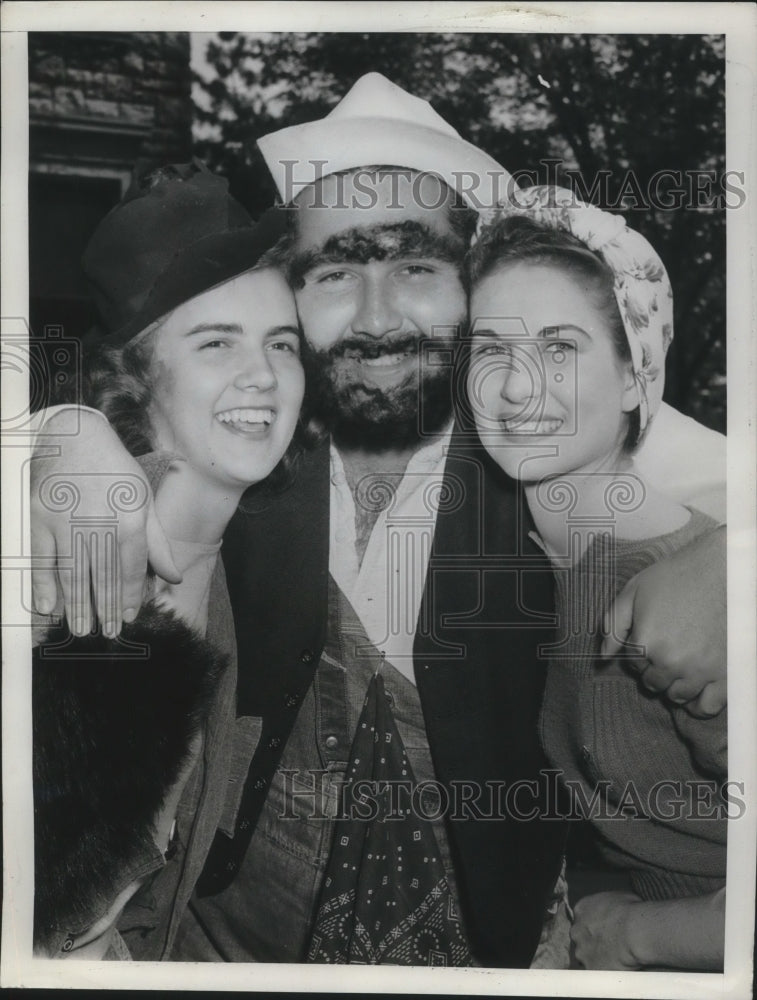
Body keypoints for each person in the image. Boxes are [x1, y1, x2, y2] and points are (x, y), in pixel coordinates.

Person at [29, 75, 727, 967]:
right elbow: (127, 381)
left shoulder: (541, 436)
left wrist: (735, 554)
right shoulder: (258, 432)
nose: (375, 316)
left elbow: (699, 470)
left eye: (414, 266)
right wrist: (59, 432)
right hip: (219, 944)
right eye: (335, 272)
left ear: (470, 283)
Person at [31, 161, 306, 959]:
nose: (263, 375)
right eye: (216, 341)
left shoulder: (252, 568)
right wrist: (49, 432)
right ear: (136, 373)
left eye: (281, 344)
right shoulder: (60, 548)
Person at [465, 186, 726, 970]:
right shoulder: (551, 555)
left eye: (558, 349)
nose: (515, 389)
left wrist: (644, 935)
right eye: (489, 349)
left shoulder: (680, 599)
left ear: (632, 377)